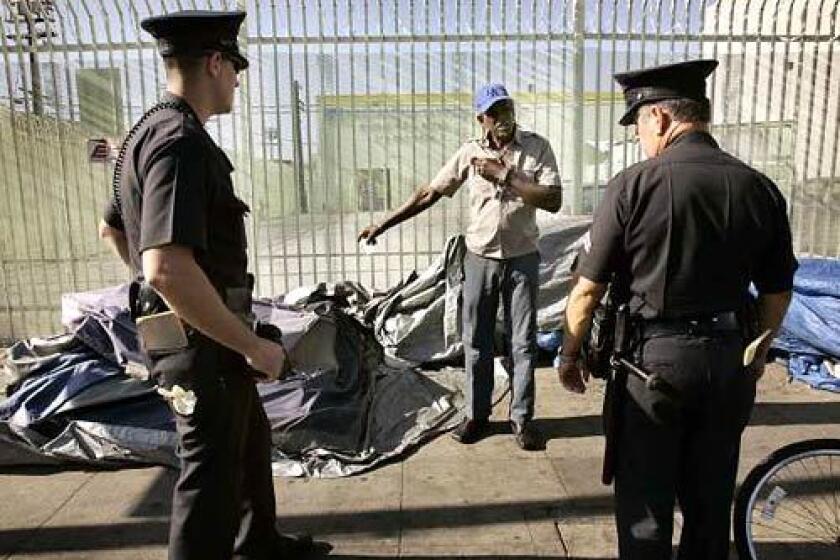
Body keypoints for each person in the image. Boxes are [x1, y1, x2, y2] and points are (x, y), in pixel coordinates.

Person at [98, 10, 327, 560]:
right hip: (203, 343)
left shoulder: (142, 134)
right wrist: (252, 346)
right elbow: (166, 267)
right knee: (209, 472)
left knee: (248, 441)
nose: (240, 81)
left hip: (201, 332)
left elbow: (111, 227)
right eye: (236, 68)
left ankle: (258, 541)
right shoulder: (180, 142)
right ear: (217, 64)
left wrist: (166, 299)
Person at [556, 59, 797, 559]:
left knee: (646, 513)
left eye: (640, 123)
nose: (640, 137)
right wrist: (757, 351)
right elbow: (777, 293)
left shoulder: (633, 185)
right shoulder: (759, 188)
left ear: (661, 119)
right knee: (709, 510)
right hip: (730, 362)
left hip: (652, 369)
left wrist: (570, 352)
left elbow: (586, 291)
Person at [358, 84, 562, 450]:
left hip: (521, 258)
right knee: (477, 341)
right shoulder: (469, 153)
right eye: (493, 113)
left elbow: (552, 199)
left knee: (523, 342)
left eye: (506, 110)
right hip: (480, 257)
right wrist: (384, 224)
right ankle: (477, 415)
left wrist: (505, 175)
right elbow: (430, 192)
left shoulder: (536, 147)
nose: (502, 119)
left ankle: (522, 418)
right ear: (481, 119)